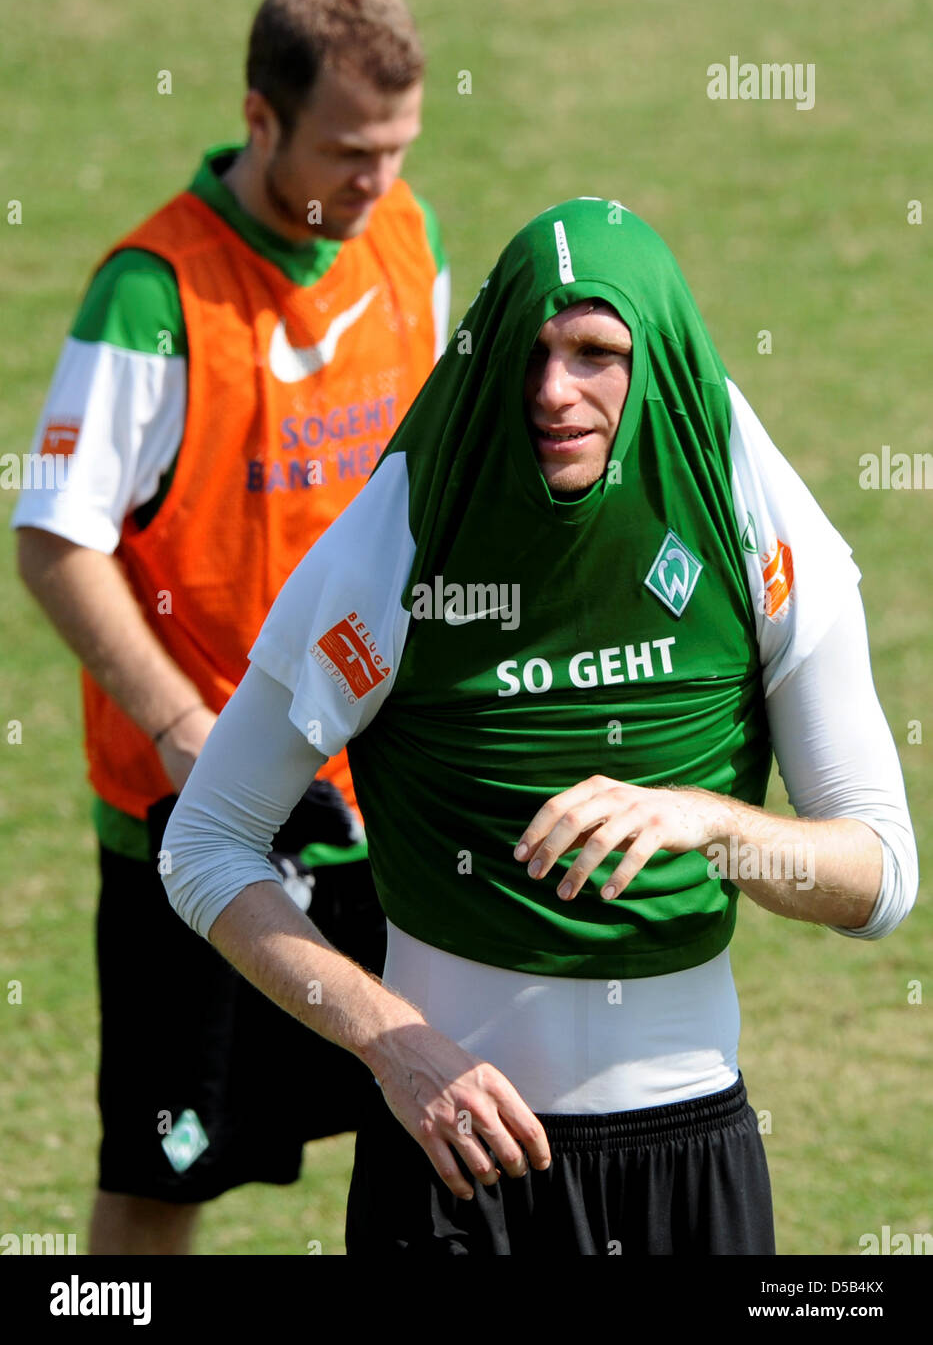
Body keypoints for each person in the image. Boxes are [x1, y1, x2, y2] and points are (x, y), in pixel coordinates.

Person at [161, 197, 917, 1255]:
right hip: (452, 1163)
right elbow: (203, 844)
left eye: (596, 353)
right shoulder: (396, 539)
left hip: (691, 1163)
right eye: (529, 350)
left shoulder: (751, 515)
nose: (554, 392)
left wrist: (711, 824)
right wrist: (396, 1048)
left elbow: (882, 877)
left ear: (652, 357)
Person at [13, 0, 449, 1255]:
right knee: (163, 1180)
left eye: (398, 149)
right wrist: (180, 725)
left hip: (386, 807)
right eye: (349, 151)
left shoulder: (405, 236)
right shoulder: (151, 297)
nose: (375, 181)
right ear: (261, 121)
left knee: (432, 1131)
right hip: (209, 821)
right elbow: (53, 541)